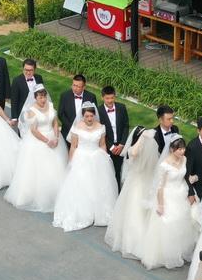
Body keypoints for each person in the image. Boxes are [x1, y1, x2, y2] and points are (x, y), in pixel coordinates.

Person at [52, 102, 118, 231]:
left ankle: (98, 212)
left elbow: (102, 144)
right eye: (87, 116)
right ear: (83, 116)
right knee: (82, 185)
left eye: (91, 116)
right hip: (81, 158)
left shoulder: (101, 127)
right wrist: (70, 162)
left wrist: (105, 156)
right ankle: (83, 212)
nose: (89, 119)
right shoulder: (77, 128)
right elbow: (73, 146)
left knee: (99, 185)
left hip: (97, 157)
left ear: (94, 115)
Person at [4, 84, 67, 212]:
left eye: (44, 97)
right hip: (39, 140)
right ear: (35, 97)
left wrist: (56, 137)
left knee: (57, 166)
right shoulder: (31, 111)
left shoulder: (50, 106)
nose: (43, 99)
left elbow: (55, 123)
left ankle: (57, 194)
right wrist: (47, 140)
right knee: (40, 169)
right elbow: (33, 130)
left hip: (53, 138)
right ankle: (38, 195)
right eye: (40, 97)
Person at [138, 136, 197, 270]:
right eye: (179, 149)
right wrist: (160, 205)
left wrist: (190, 182)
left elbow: (184, 177)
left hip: (181, 193)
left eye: (183, 149)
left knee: (181, 222)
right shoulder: (164, 165)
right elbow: (160, 187)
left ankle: (179, 251)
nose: (182, 152)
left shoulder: (184, 159)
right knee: (167, 224)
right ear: (171, 149)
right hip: (167, 196)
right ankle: (164, 254)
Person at [104, 125, 156, 258]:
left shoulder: (151, 147)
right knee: (132, 209)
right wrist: (141, 139)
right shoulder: (134, 148)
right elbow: (132, 153)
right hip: (135, 183)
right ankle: (130, 241)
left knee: (141, 211)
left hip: (145, 181)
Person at [98, 85, 129, 188]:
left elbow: (125, 126)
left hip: (120, 146)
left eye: (112, 97)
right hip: (107, 147)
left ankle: (119, 193)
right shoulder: (98, 111)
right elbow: (100, 132)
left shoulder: (121, 107)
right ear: (102, 97)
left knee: (119, 171)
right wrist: (111, 146)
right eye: (107, 98)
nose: (110, 101)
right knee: (108, 172)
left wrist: (122, 144)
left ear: (115, 96)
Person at [57, 74, 97, 147]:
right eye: (74, 85)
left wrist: (84, 128)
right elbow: (61, 114)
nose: (75, 88)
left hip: (85, 133)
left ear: (84, 87)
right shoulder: (65, 95)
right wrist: (72, 127)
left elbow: (94, 115)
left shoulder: (91, 97)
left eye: (78, 86)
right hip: (68, 132)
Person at [9, 58, 43, 125]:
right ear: (23, 68)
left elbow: (42, 94)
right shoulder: (17, 81)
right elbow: (14, 100)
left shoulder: (39, 78)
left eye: (30, 70)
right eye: (26, 70)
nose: (28, 72)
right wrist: (14, 117)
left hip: (37, 112)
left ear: (35, 70)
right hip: (23, 114)